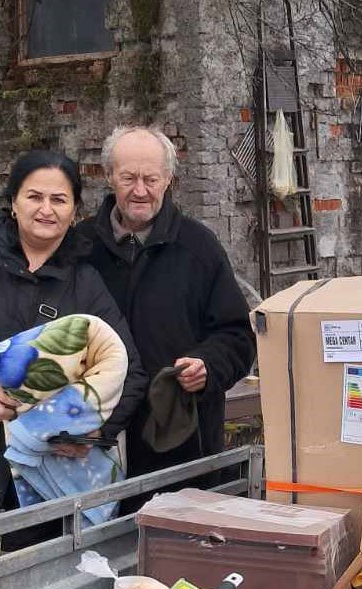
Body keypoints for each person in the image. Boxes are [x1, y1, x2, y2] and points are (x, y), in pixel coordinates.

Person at [0, 150, 147, 569]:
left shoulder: (84, 285)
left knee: (34, 574)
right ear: (13, 202)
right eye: (34, 196)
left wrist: (92, 434)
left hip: (42, 467)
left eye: (59, 199)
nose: (45, 209)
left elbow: (130, 370)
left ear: (74, 211)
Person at [74, 126, 255, 484]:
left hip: (180, 441)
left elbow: (237, 336)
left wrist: (208, 365)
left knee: (174, 539)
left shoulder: (198, 248)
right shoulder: (80, 247)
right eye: (128, 177)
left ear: (169, 179)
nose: (139, 190)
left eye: (150, 179)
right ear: (109, 176)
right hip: (90, 438)